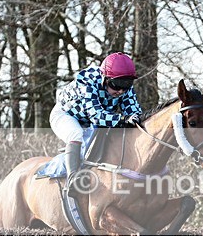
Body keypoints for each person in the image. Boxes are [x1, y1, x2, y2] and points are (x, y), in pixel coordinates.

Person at [50, 52, 143, 182]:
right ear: (105, 78)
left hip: (91, 121)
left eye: (126, 85)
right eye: (116, 85)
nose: (121, 91)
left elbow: (134, 113)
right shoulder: (88, 81)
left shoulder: (124, 89)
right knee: (76, 134)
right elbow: (96, 116)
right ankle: (72, 178)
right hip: (66, 115)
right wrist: (122, 119)